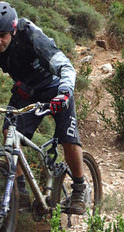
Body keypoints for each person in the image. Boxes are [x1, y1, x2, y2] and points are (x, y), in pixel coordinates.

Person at [0, 2, 86, 215]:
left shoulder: (29, 34)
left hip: (55, 88)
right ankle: (20, 195)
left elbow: (64, 64)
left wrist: (65, 92)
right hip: (26, 92)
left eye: (1, 34)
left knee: (68, 138)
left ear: (12, 30)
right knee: (9, 133)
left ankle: (79, 188)